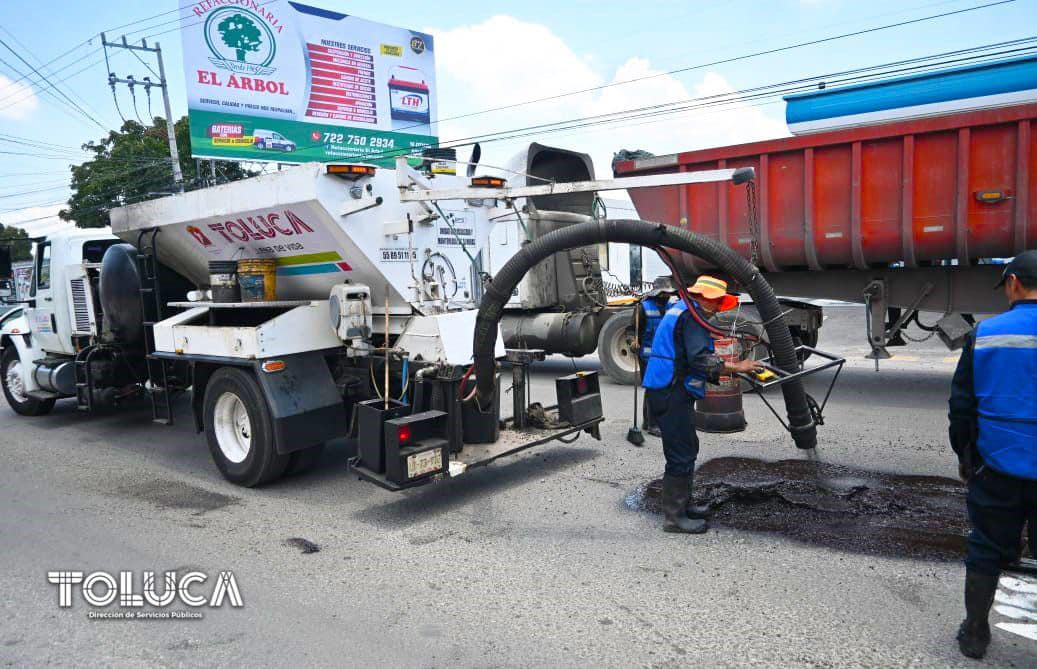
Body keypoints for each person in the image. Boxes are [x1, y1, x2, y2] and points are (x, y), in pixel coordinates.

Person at [948, 250, 1037, 659]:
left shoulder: (985, 334)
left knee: (986, 545)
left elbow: (962, 408)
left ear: (1014, 283)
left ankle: (975, 634)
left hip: (998, 463)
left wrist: (968, 459)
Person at [642, 275, 763, 534]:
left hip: (669, 389)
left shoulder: (683, 309)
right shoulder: (691, 317)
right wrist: (738, 366)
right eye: (717, 301)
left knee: (687, 447)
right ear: (705, 297)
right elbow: (701, 359)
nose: (719, 307)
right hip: (670, 391)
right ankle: (675, 518)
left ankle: (684, 506)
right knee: (680, 453)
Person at [635, 277, 677, 437]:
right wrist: (633, 341)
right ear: (656, 293)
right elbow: (632, 330)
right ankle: (653, 424)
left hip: (665, 355)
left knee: (660, 388)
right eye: (663, 294)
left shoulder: (670, 307)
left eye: (667, 293)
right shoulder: (643, 308)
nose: (665, 296)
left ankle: (648, 421)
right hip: (647, 355)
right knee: (654, 389)